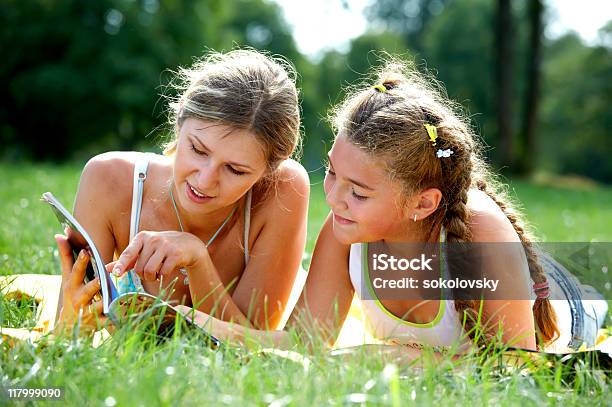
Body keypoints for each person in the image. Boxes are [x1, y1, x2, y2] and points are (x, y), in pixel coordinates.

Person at [176, 59, 607, 354]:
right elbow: (304, 344)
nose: (334, 199)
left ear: (422, 203)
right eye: (331, 173)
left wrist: (395, 359)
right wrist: (183, 319)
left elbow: (517, 366)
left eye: (358, 192)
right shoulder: (345, 230)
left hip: (562, 308)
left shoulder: (479, 233)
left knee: (583, 308)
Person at [54, 49, 309, 334]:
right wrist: (71, 319)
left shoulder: (282, 190)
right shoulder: (108, 179)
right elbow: (70, 336)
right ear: (179, 120)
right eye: (198, 149)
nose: (205, 180)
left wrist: (198, 261)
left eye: (235, 170)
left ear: (268, 171)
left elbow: (251, 344)